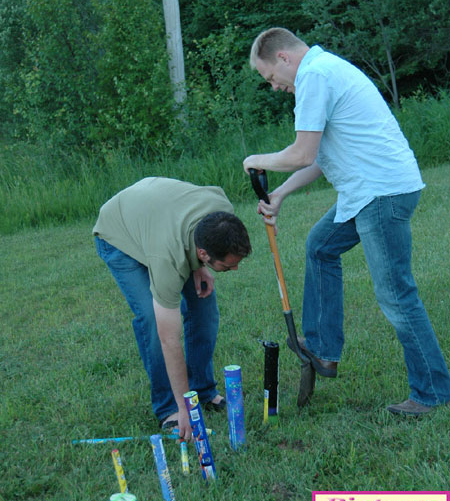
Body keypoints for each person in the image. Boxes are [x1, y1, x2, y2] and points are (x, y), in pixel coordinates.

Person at [243, 27, 450, 417]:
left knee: (396, 296)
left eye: (270, 77)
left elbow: (302, 153)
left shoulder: (315, 76)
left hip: (381, 194)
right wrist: (281, 194)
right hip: (368, 192)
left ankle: (433, 391)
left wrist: (257, 160)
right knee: (320, 246)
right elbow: (319, 157)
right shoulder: (323, 70)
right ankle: (322, 349)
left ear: (283, 58)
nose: (274, 87)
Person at [93, 176, 251, 439]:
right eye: (227, 265)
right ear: (204, 253)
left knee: (205, 306)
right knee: (153, 320)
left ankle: (202, 389)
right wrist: (183, 407)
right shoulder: (167, 257)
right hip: (119, 233)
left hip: (156, 216)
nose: (234, 269)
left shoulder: (223, 212)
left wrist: (200, 268)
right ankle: (169, 407)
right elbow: (169, 339)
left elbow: (194, 232)